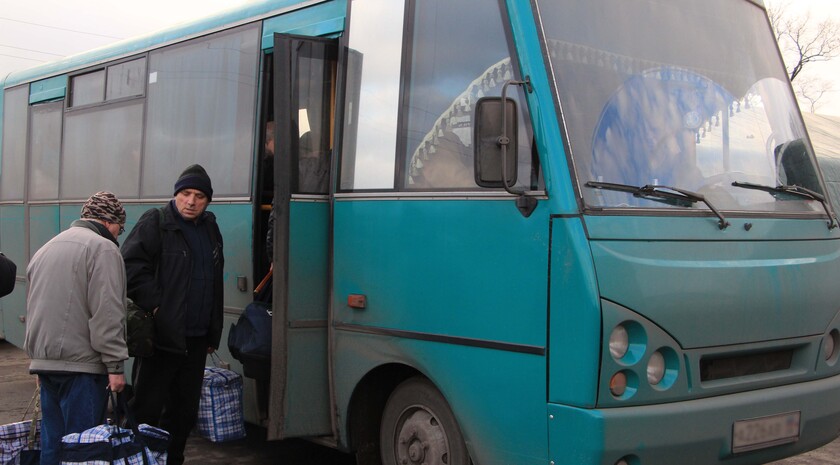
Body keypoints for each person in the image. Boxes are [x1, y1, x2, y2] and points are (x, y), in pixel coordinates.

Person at [121, 164, 224, 465]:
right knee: (146, 411)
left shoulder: (210, 228)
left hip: (196, 339)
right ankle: (137, 460)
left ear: (208, 201)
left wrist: (212, 332)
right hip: (162, 338)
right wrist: (157, 306)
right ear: (176, 194)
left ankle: (172, 461)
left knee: (183, 414)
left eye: (199, 196)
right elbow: (129, 266)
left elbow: (214, 280)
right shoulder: (157, 222)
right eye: (185, 193)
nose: (191, 201)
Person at [24, 191, 128, 465]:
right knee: (83, 448)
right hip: (83, 368)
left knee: (52, 445)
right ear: (109, 222)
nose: (119, 234)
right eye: (120, 227)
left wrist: (38, 360)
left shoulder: (46, 248)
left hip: (47, 365)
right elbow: (107, 313)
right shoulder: (104, 248)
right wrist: (115, 366)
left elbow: (35, 307)